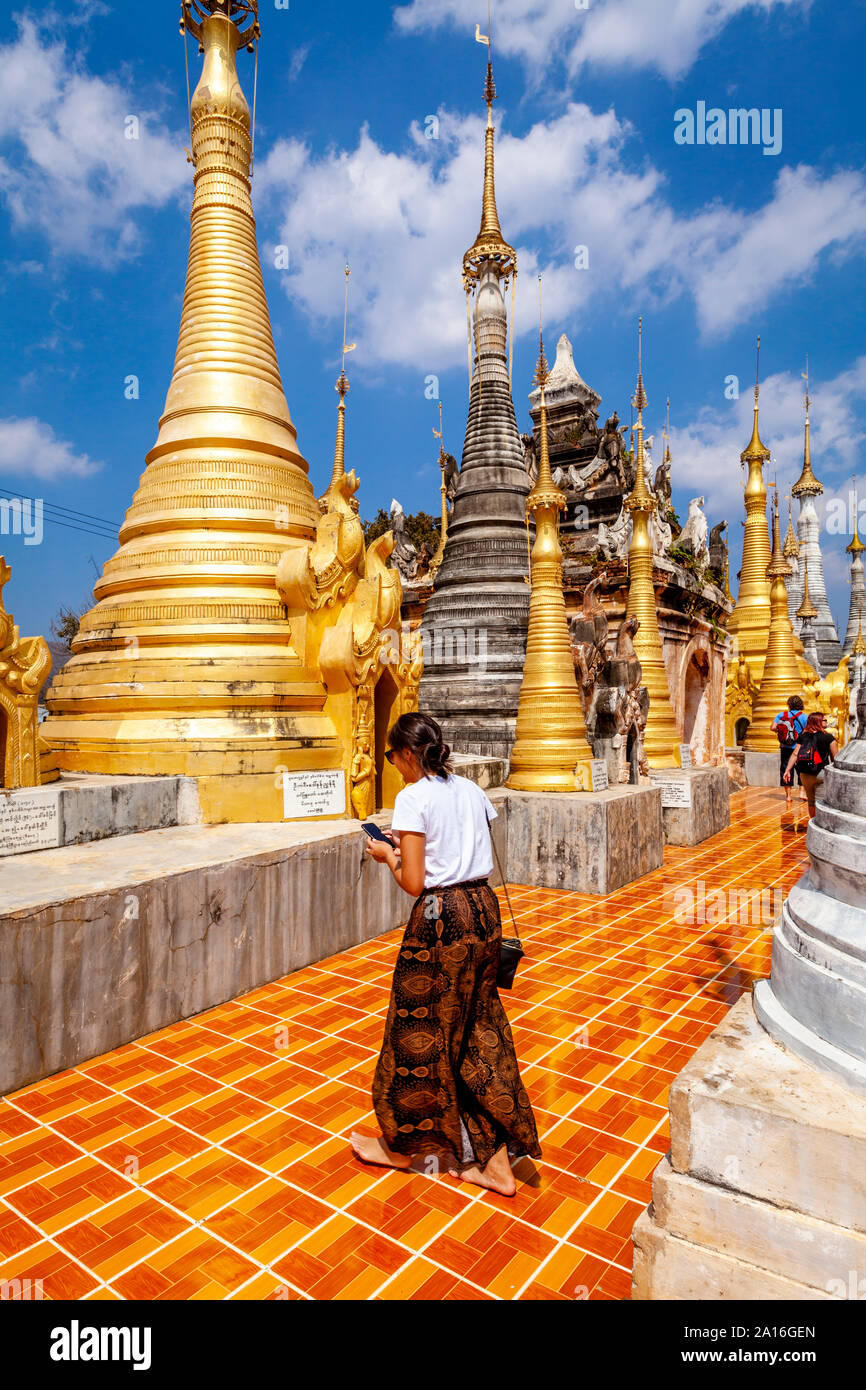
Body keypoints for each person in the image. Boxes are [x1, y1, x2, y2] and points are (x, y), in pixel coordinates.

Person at [351, 711, 541, 1196]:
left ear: (409, 754)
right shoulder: (470, 789)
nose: (394, 765)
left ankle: (400, 1146)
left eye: (393, 756)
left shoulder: (412, 797)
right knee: (478, 1031)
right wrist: (410, 847)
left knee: (418, 1034)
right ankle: (497, 1162)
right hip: (483, 909)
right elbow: (458, 844)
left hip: (441, 919)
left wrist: (387, 855)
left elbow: (415, 881)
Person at [783, 712, 837, 821]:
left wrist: (787, 770)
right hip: (820, 773)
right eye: (824, 720)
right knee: (821, 802)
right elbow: (836, 757)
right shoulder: (828, 737)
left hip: (804, 774)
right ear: (818, 722)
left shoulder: (803, 736)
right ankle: (820, 826)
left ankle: (813, 824)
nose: (826, 722)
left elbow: (795, 754)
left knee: (811, 801)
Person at [772, 696, 807, 809]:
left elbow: (772, 727)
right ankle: (801, 792)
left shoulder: (781, 715)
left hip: (785, 746)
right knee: (801, 769)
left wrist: (783, 732)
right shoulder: (804, 717)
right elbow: (808, 731)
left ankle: (788, 796)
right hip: (800, 747)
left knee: (786, 769)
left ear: (789, 704)